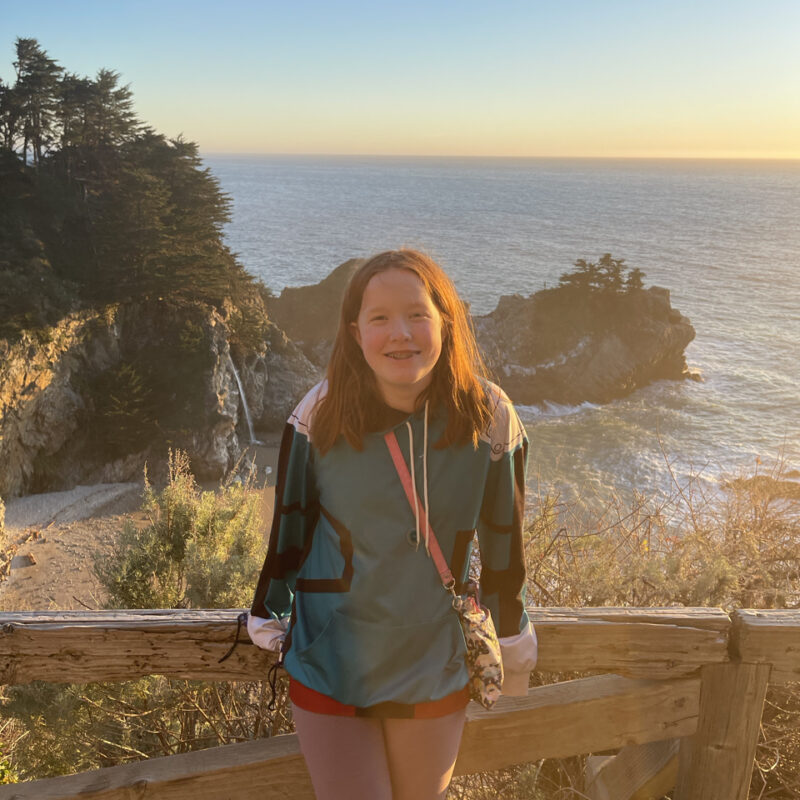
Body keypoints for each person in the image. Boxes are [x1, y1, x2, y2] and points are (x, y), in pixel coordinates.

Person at [247, 249, 537, 800]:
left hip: (433, 660)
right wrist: (268, 612)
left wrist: (513, 636)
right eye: (379, 318)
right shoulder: (320, 413)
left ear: (445, 323)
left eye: (417, 314)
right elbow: (291, 528)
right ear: (355, 332)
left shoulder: (490, 416)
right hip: (330, 657)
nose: (399, 334)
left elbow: (505, 541)